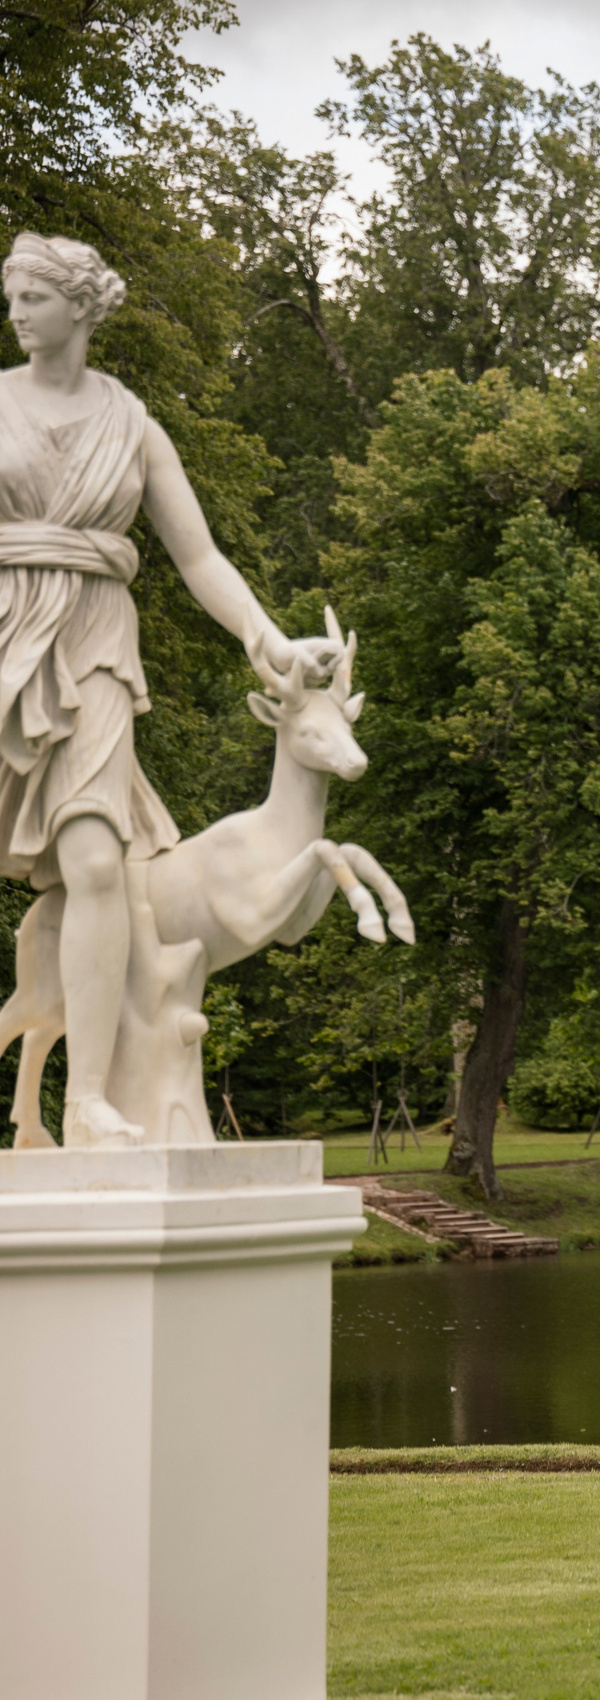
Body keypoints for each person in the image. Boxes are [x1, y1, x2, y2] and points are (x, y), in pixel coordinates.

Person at [0, 233, 301, 1146]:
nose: (16, 313)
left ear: (82, 308)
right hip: (3, 631)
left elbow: (199, 555)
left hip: (94, 643)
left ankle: (86, 1100)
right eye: (10, 296)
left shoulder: (135, 426)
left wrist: (263, 635)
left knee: (97, 863)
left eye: (34, 297)